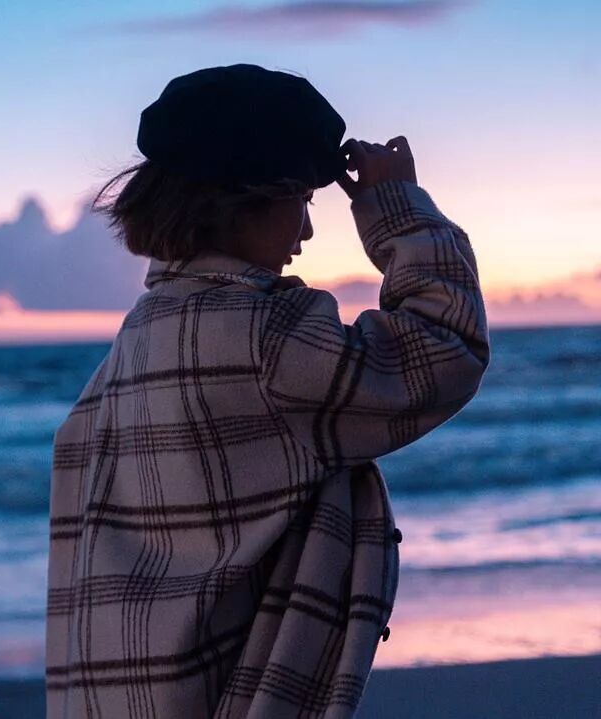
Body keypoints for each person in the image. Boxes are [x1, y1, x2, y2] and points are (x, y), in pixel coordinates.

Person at [46, 63, 489, 718]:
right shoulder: (265, 339)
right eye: (302, 201)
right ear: (243, 200)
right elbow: (443, 351)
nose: (305, 233)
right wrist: (396, 209)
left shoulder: (141, 334)